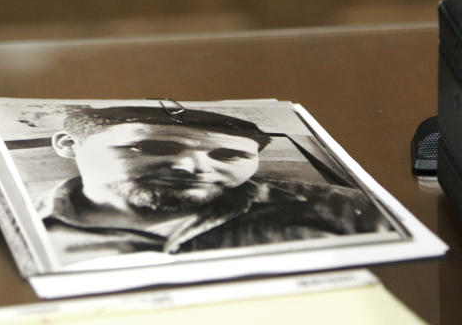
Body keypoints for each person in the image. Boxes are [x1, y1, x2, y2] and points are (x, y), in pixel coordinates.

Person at [39, 106, 390, 264]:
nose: (192, 168)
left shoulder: (344, 207)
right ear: (69, 145)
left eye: (228, 155)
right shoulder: (26, 226)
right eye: (152, 147)